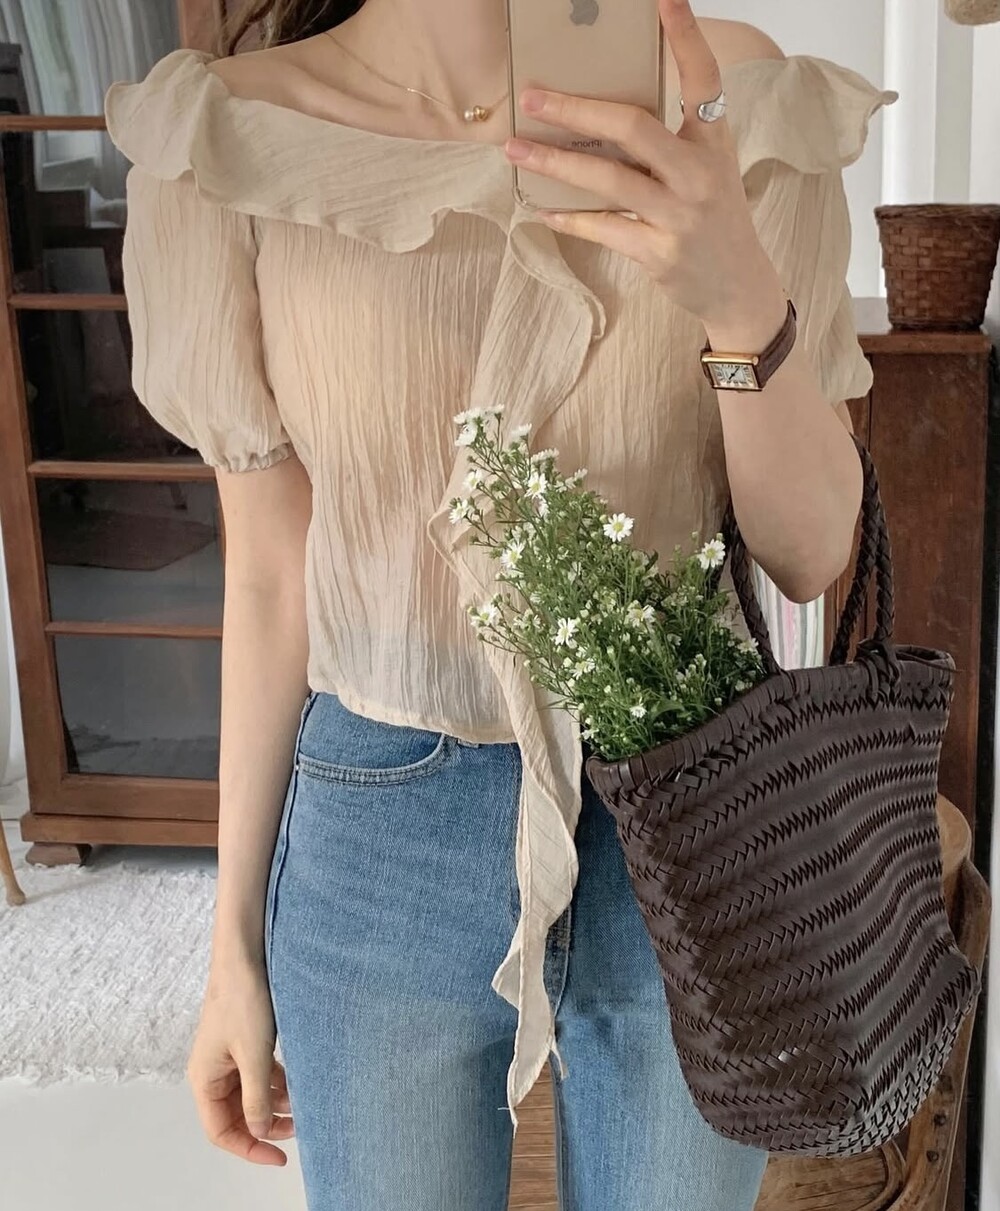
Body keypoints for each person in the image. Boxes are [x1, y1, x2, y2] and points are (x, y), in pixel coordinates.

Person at [103, 1, 896, 1207]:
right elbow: (268, 571)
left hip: (693, 817)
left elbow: (809, 553)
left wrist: (739, 297)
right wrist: (232, 951)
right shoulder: (230, 139)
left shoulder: (729, 98)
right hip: (378, 829)